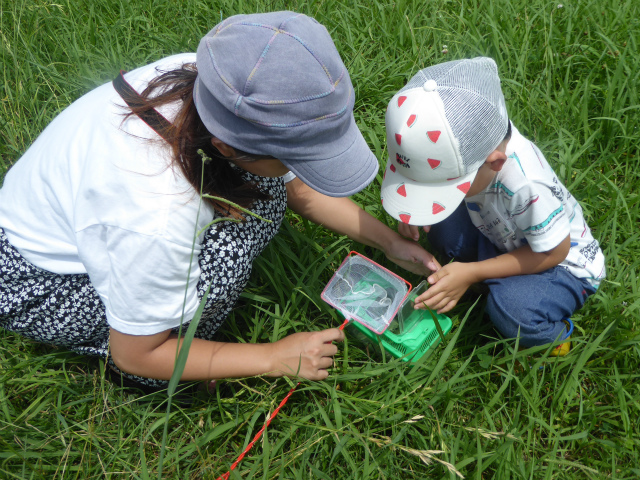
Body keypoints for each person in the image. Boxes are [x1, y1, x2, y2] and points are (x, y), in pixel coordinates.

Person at [0, 11, 440, 389]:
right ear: (226, 147)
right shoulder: (154, 213)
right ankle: (167, 379)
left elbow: (296, 187)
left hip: (96, 217)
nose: (302, 172)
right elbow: (134, 352)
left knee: (266, 195)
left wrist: (388, 242)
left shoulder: (221, 81)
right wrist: (273, 357)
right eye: (295, 157)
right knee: (226, 253)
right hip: (41, 279)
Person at [380, 57, 605, 354]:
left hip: (558, 265)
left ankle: (554, 336)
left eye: (441, 187)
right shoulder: (474, 154)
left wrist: (473, 272)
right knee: (437, 225)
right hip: (504, 235)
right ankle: (487, 277)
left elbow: (555, 251)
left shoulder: (526, 184)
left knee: (511, 311)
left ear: (494, 164)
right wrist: (417, 208)